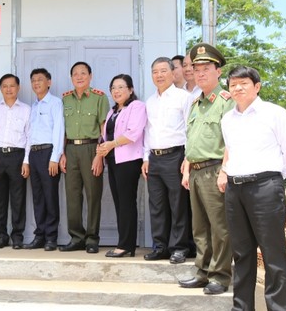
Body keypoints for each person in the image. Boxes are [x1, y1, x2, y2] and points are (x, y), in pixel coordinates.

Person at [220, 66, 286, 310]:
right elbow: (230, 152)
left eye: (243, 83)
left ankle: (278, 307)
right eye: (233, 84)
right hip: (235, 189)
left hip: (265, 187)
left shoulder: (275, 113)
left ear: (257, 86)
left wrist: (272, 180)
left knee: (273, 252)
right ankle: (242, 306)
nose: (238, 88)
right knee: (242, 253)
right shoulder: (227, 119)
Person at [179, 43, 235, 295]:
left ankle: (220, 276)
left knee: (219, 227)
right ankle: (202, 272)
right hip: (196, 171)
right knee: (199, 227)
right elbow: (192, 139)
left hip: (215, 170)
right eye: (196, 69)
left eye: (206, 69)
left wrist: (225, 170)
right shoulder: (195, 104)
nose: (200, 73)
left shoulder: (226, 101)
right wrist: (186, 168)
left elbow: (232, 140)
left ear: (218, 72)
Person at [141, 58, 192, 264]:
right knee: (157, 205)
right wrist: (146, 158)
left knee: (178, 204)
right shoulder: (149, 101)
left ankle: (180, 247)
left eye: (163, 71)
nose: (159, 75)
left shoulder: (184, 97)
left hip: (176, 156)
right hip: (154, 158)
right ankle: (160, 246)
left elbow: (190, 130)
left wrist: (187, 159)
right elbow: (147, 132)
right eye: (155, 72)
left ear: (173, 73)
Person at [59, 61, 109, 254]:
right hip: (71, 149)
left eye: (83, 73)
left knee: (93, 195)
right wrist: (62, 153)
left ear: (90, 76)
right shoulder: (65, 100)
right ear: (71, 78)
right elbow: (62, 130)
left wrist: (100, 155)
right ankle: (76, 237)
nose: (79, 77)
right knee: (72, 196)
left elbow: (104, 129)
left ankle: (92, 238)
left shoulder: (99, 98)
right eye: (75, 74)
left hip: (91, 149)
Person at [96, 74, 145, 258]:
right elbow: (106, 135)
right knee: (119, 202)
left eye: (120, 87)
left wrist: (110, 145)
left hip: (129, 161)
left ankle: (126, 245)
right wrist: (102, 147)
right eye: (113, 88)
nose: (116, 91)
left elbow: (133, 133)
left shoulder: (137, 107)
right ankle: (125, 243)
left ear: (130, 90)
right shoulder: (112, 111)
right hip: (114, 161)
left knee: (126, 202)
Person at [0, 74, 31, 249]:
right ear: (0, 88)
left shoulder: (26, 110)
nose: (9, 89)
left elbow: (29, 137)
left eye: (12, 86)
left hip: (18, 157)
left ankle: (17, 236)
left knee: (18, 199)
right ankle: (1, 235)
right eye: (5, 86)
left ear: (18, 88)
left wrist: (26, 161)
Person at [24, 68, 64, 251]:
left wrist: (55, 157)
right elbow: (29, 135)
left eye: (40, 79)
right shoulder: (33, 106)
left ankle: (51, 238)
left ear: (49, 82)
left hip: (49, 153)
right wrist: (27, 159)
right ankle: (39, 235)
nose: (36, 83)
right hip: (34, 153)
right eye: (33, 80)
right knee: (38, 197)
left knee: (50, 196)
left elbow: (58, 131)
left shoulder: (55, 103)